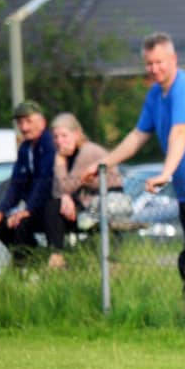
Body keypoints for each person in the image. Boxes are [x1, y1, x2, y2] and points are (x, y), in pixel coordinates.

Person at [96, 32, 185, 294]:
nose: (154, 69)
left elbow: (180, 131)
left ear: (173, 59)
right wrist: (103, 163)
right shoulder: (154, 95)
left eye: (159, 62)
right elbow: (138, 135)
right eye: (149, 63)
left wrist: (166, 173)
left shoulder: (184, 87)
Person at [44, 112, 131, 269]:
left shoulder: (87, 152)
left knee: (54, 207)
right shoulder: (70, 154)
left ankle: (57, 256)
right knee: (52, 206)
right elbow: (59, 190)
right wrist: (65, 197)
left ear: (77, 133)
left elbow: (66, 186)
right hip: (88, 204)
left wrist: (59, 161)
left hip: (105, 205)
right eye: (55, 137)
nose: (59, 141)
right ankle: (56, 256)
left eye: (64, 136)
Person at [0, 100, 56, 265]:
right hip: (31, 206)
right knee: (0, 225)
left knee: (22, 223)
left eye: (28, 121)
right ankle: (30, 259)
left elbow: (45, 182)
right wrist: (1, 211)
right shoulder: (25, 148)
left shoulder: (49, 145)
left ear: (42, 122)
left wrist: (28, 210)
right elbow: (16, 184)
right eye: (20, 122)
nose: (24, 127)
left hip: (49, 206)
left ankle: (28, 263)